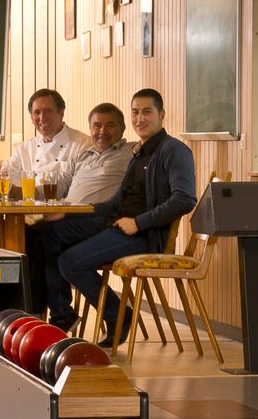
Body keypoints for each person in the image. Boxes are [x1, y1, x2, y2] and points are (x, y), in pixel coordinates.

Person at [40, 89, 196, 341]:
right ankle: (60, 314)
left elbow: (184, 200)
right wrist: (68, 213)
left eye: (147, 112)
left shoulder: (174, 151)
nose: (140, 118)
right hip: (117, 224)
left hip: (145, 235)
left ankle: (117, 315)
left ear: (161, 115)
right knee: (52, 230)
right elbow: (115, 203)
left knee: (70, 262)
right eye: (135, 112)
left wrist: (138, 222)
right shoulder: (140, 151)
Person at [24, 103, 133, 310]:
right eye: (97, 126)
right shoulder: (84, 154)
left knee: (52, 232)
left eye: (110, 126)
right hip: (73, 218)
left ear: (122, 129)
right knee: (28, 234)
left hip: (102, 219)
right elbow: (57, 186)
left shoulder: (131, 153)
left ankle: (61, 312)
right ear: (90, 128)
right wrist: (17, 190)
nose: (102, 131)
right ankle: (33, 311)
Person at [7, 89, 90, 196]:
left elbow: (74, 188)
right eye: (36, 112)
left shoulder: (83, 144)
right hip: (28, 210)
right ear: (31, 117)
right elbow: (6, 174)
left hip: (64, 211)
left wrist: (29, 193)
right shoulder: (25, 148)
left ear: (61, 113)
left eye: (48, 111)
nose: (42, 117)